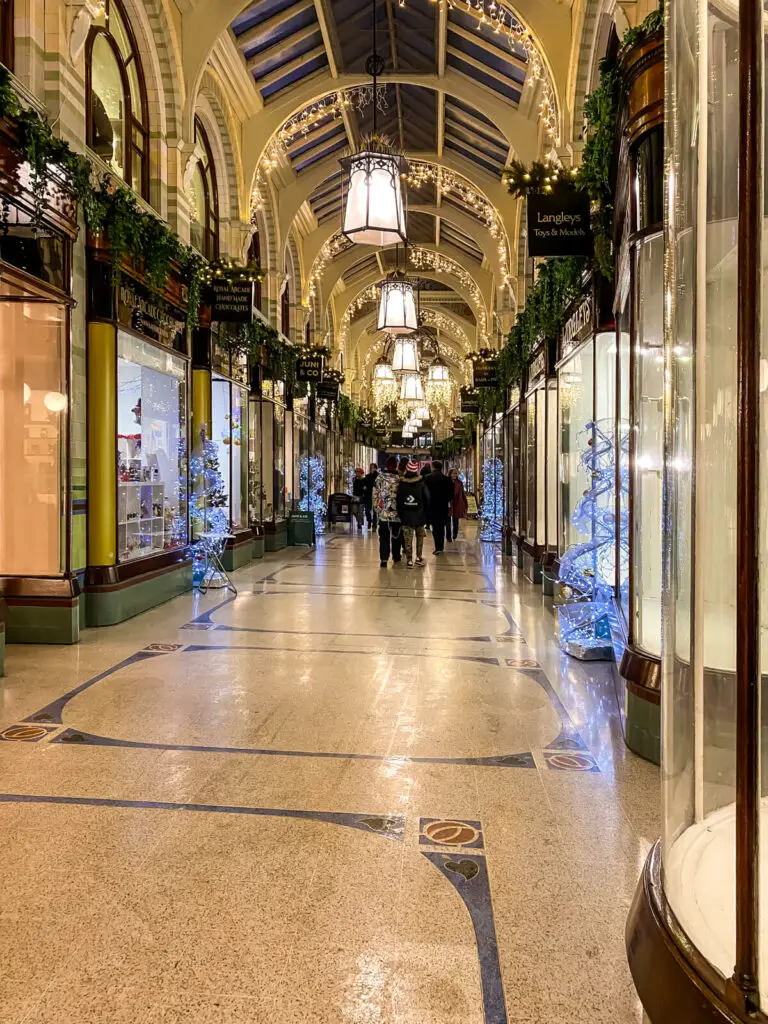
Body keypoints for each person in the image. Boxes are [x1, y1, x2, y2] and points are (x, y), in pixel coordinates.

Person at [397, 458, 430, 566]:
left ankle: (409, 560)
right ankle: (419, 557)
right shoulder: (421, 483)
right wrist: (425, 514)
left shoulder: (402, 483)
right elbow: (427, 499)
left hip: (406, 516)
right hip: (420, 516)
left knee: (408, 539)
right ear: (416, 470)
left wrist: (401, 514)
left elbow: (399, 501)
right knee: (420, 538)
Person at [373, 455, 403, 566]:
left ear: (386, 465)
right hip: (397, 514)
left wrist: (377, 509)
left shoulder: (379, 478)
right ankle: (396, 556)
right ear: (396, 466)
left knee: (384, 537)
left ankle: (384, 559)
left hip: (383, 514)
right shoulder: (400, 479)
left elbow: (374, 494)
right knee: (396, 536)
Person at [424, 459, 453, 555]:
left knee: (435, 527)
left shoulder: (427, 478)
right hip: (443, 506)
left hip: (431, 506)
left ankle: (437, 547)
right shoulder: (446, 479)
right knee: (441, 527)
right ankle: (441, 546)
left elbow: (424, 492)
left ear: (433, 467)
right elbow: (450, 494)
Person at [448, 467, 468, 540]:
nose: (455, 475)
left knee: (455, 520)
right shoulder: (447, 482)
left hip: (457, 503)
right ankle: (448, 536)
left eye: (456, 473)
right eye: (453, 473)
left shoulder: (459, 483)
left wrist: (465, 503)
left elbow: (462, 494)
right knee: (448, 521)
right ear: (450, 474)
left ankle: (455, 534)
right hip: (449, 503)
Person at [362, 462, 378, 529]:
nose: (372, 469)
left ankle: (374, 525)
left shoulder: (378, 476)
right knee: (367, 510)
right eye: (371, 468)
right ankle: (369, 521)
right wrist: (364, 488)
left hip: (375, 495)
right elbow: (364, 485)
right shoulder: (367, 476)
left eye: (373, 468)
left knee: (375, 511)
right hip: (368, 495)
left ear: (375, 468)